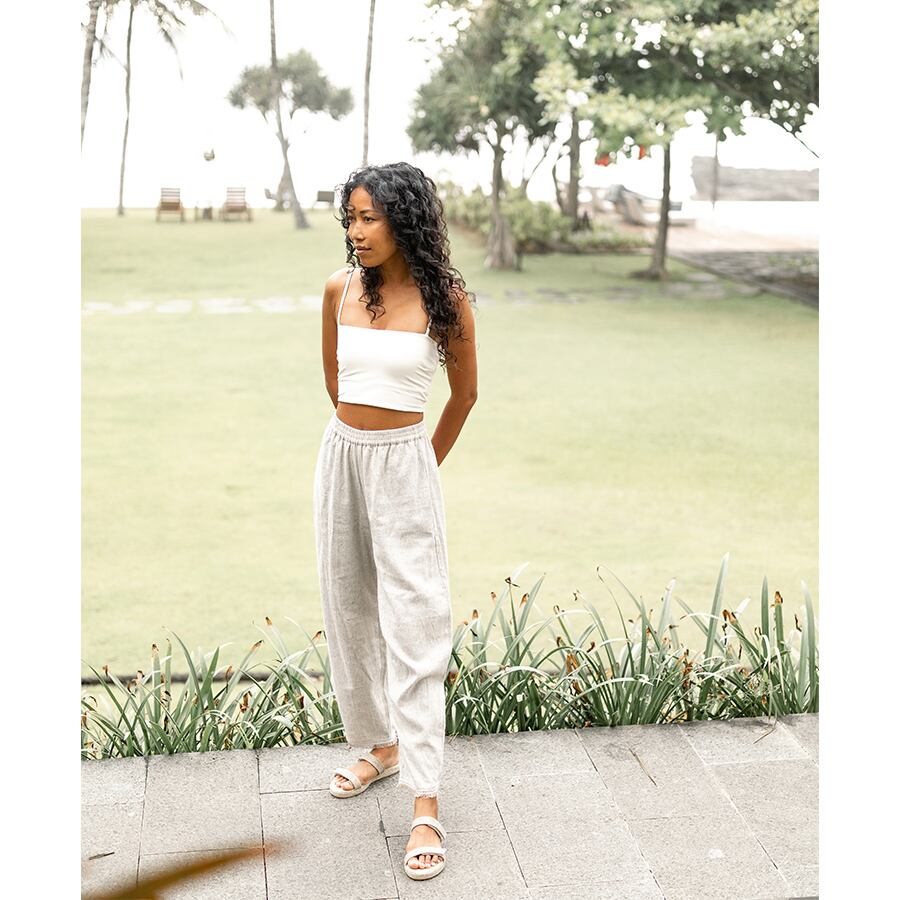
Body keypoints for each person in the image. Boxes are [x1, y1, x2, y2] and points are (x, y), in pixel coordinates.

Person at [312, 162, 478, 881]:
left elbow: (464, 396)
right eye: (350, 217)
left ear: (403, 220)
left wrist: (417, 466)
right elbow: (336, 382)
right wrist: (361, 449)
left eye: (369, 217)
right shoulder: (338, 289)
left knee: (416, 623)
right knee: (349, 610)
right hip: (341, 460)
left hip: (405, 465)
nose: (356, 231)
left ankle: (425, 798)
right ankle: (379, 747)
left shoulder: (447, 300)